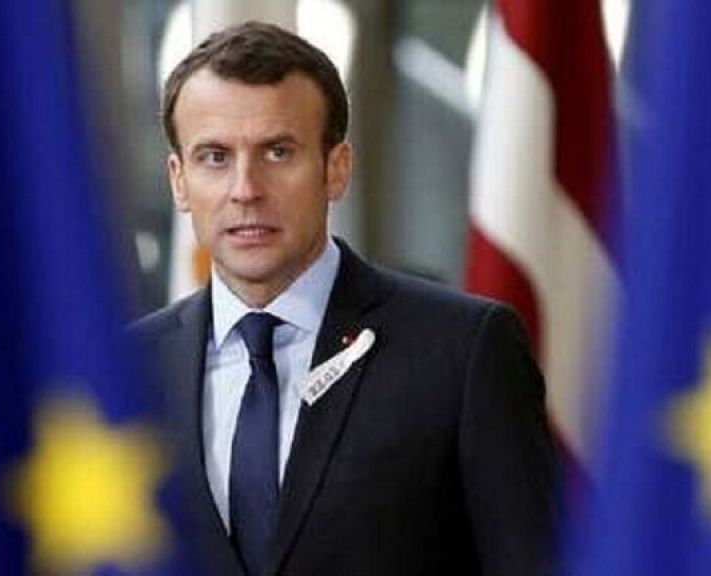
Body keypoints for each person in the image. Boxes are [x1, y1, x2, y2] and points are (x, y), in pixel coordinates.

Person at [135, 21, 557, 576]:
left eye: (278, 152)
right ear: (178, 181)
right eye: (214, 157)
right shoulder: (130, 366)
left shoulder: (462, 351)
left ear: (336, 169)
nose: (245, 189)